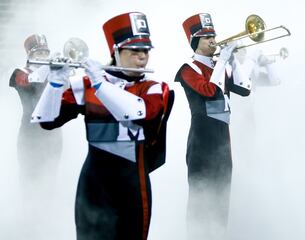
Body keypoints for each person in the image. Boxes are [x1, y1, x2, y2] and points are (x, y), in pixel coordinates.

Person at [31, 12, 174, 240]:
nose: (142, 58)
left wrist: (100, 83)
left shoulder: (155, 88)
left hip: (133, 187)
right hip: (93, 187)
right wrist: (56, 83)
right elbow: (46, 121)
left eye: (145, 51)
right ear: (116, 52)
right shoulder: (86, 85)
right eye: (134, 51)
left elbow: (140, 113)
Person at [174, 13, 257, 240]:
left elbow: (244, 88)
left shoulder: (218, 66)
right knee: (200, 201)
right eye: (206, 37)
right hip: (201, 141)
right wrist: (222, 62)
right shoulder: (187, 68)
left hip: (223, 141)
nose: (213, 40)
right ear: (195, 42)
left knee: (222, 199)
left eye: (213, 35)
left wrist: (232, 62)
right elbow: (210, 91)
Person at [9, 34, 63, 237]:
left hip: (54, 135)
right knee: (29, 178)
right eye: (39, 53)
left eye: (46, 53)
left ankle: (47, 223)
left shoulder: (54, 73)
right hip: (30, 135)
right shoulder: (20, 73)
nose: (44, 56)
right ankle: (28, 224)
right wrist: (51, 67)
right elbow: (25, 83)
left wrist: (63, 72)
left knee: (50, 178)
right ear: (30, 56)